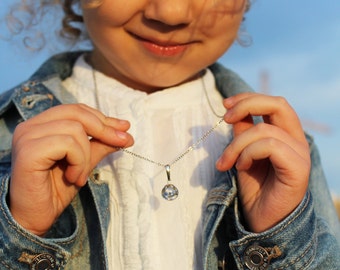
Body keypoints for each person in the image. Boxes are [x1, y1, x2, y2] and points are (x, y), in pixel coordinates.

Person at [0, 0, 339, 269]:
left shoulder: (285, 155)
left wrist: (280, 235)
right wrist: (20, 233)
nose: (171, 12)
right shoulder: (8, 137)